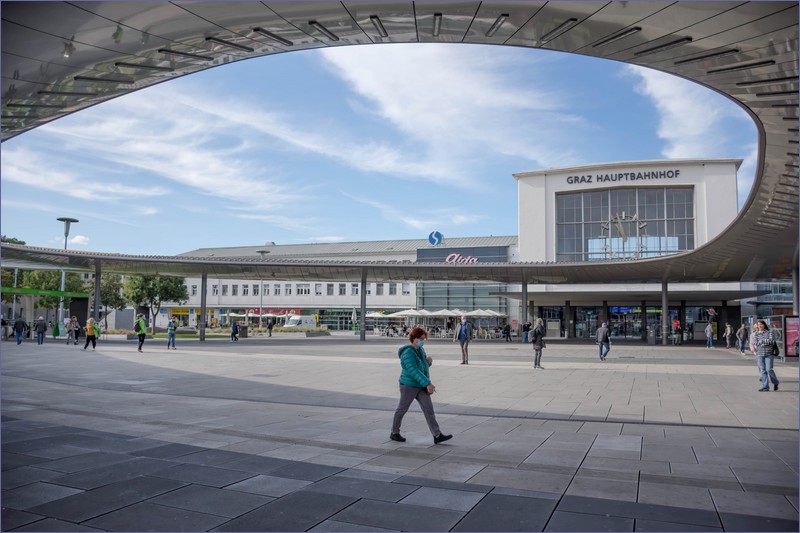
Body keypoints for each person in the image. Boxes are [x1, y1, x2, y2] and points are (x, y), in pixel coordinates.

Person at [390, 326, 452, 445]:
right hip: (408, 385)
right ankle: (394, 432)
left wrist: (428, 363)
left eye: (424, 339)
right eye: (421, 339)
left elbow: (422, 369)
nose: (423, 341)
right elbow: (413, 371)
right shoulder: (408, 352)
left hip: (420, 385)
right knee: (402, 409)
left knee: (429, 409)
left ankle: (437, 435)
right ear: (414, 338)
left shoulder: (420, 350)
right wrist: (428, 383)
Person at [750, 319, 779, 392]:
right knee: (762, 370)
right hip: (759, 354)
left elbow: (771, 341)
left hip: (769, 354)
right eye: (759, 324)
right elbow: (755, 343)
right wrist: (765, 341)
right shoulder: (756, 334)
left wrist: (762, 342)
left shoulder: (769, 332)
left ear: (764, 325)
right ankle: (765, 386)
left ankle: (775, 382)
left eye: (761, 324)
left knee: (769, 369)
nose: (760, 326)